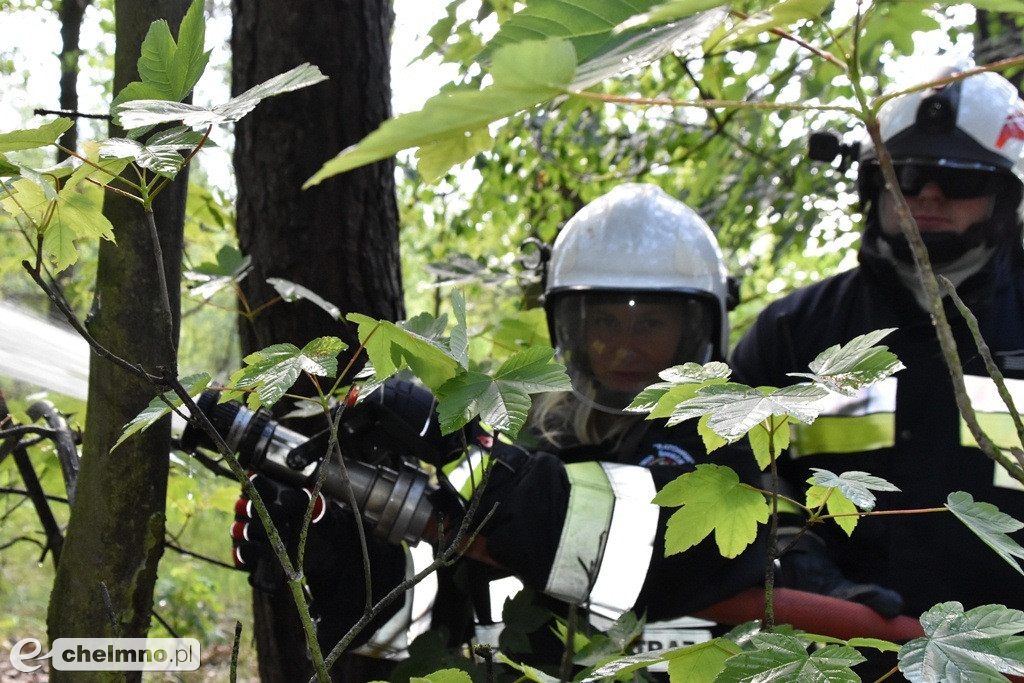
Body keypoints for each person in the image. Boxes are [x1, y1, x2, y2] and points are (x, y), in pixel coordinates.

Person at [224, 183, 889, 678]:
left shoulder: (720, 451)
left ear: (695, 329)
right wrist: (338, 554)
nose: (624, 346)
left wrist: (459, 447)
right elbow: (439, 623)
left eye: (649, 323)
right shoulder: (535, 449)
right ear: (567, 328)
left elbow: (632, 547)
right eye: (604, 322)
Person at [729, 62, 1024, 632]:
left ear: (1002, 195)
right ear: (873, 183)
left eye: (959, 180)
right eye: (907, 174)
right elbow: (731, 470)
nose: (929, 195)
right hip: (834, 643)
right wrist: (806, 570)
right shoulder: (797, 332)